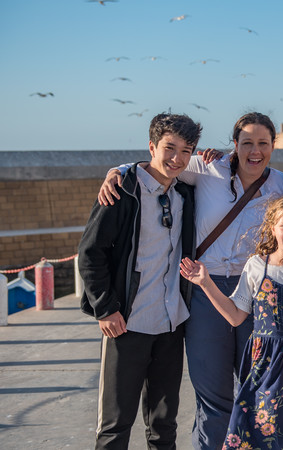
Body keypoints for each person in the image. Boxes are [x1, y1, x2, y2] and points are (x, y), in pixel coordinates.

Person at [98, 112, 283, 450]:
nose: (255, 151)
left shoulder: (282, 184)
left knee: (256, 388)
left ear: (274, 146)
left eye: (263, 143)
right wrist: (120, 171)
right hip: (205, 289)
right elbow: (158, 166)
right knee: (213, 394)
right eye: (247, 143)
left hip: (255, 291)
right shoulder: (206, 170)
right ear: (235, 145)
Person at [78, 113, 202, 449]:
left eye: (186, 151)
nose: (176, 158)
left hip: (171, 325)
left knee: (164, 425)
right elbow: (90, 253)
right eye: (169, 148)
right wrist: (105, 309)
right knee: (116, 425)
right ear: (152, 146)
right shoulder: (123, 190)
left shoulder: (185, 195)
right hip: (127, 324)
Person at [180, 195, 283, 450]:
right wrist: (205, 282)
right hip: (264, 365)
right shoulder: (256, 266)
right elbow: (235, 315)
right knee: (258, 430)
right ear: (272, 227)